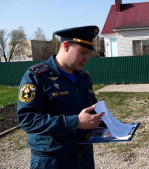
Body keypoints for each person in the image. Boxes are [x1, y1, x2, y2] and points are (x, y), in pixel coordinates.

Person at [17, 25, 105, 169]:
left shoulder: (83, 77)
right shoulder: (37, 76)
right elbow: (28, 120)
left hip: (84, 156)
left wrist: (103, 124)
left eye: (88, 54)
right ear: (65, 46)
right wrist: (75, 122)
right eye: (83, 52)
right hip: (52, 159)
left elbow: (90, 108)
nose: (86, 58)